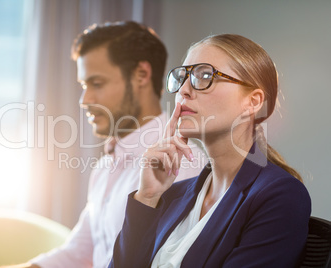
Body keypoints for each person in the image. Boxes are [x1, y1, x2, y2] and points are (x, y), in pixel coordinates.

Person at [0, 21, 205, 268]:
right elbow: (80, 253)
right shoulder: (106, 167)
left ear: (142, 74)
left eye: (96, 83)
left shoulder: (182, 165)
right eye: (83, 85)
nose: (84, 100)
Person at [109, 33, 311, 268]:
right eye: (182, 77)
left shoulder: (280, 196)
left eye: (205, 76)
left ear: (253, 102)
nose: (183, 91)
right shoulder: (172, 194)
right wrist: (147, 197)